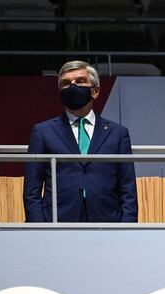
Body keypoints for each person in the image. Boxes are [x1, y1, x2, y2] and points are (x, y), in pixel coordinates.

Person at [23, 60, 137, 222]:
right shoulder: (43, 132)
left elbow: (127, 188)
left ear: (95, 91)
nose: (72, 86)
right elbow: (31, 190)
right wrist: (39, 227)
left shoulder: (117, 133)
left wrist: (127, 227)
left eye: (80, 81)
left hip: (107, 222)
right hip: (57, 222)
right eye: (66, 83)